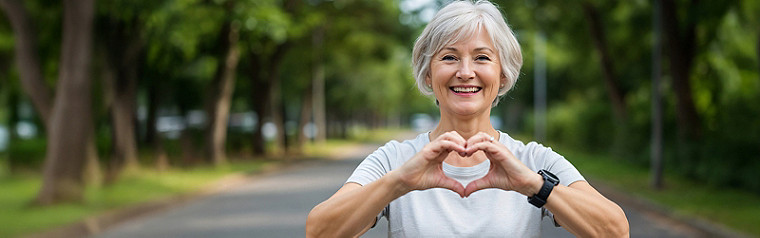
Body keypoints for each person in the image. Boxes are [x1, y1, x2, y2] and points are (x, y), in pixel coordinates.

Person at [305, 0, 629, 237]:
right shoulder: (395, 160)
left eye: (482, 58)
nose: (465, 72)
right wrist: (399, 183)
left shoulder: (534, 160)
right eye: (449, 57)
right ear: (428, 75)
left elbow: (615, 231)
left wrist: (532, 184)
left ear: (503, 75)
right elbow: (319, 232)